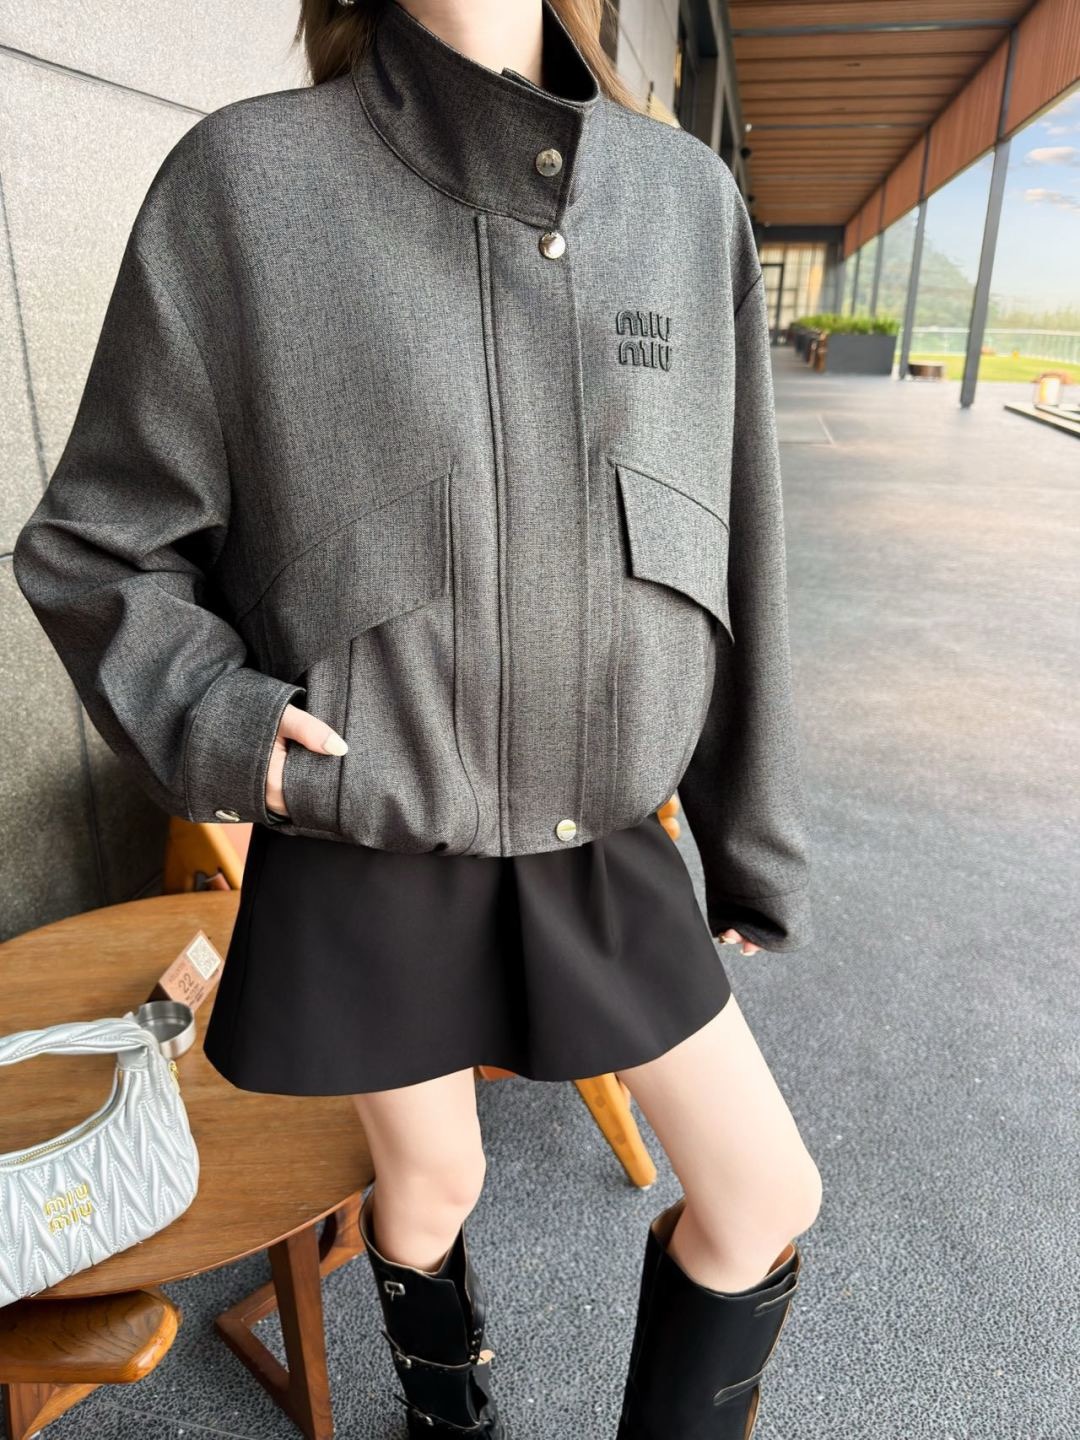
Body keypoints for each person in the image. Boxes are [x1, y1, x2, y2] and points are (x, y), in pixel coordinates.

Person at [12, 0, 822, 1435]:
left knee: (763, 1193)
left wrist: (749, 830)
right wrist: (226, 729)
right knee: (436, 1178)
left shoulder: (684, 202)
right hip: (372, 819)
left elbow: (739, 532)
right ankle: (449, 1414)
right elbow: (96, 544)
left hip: (596, 827)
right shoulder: (248, 183)